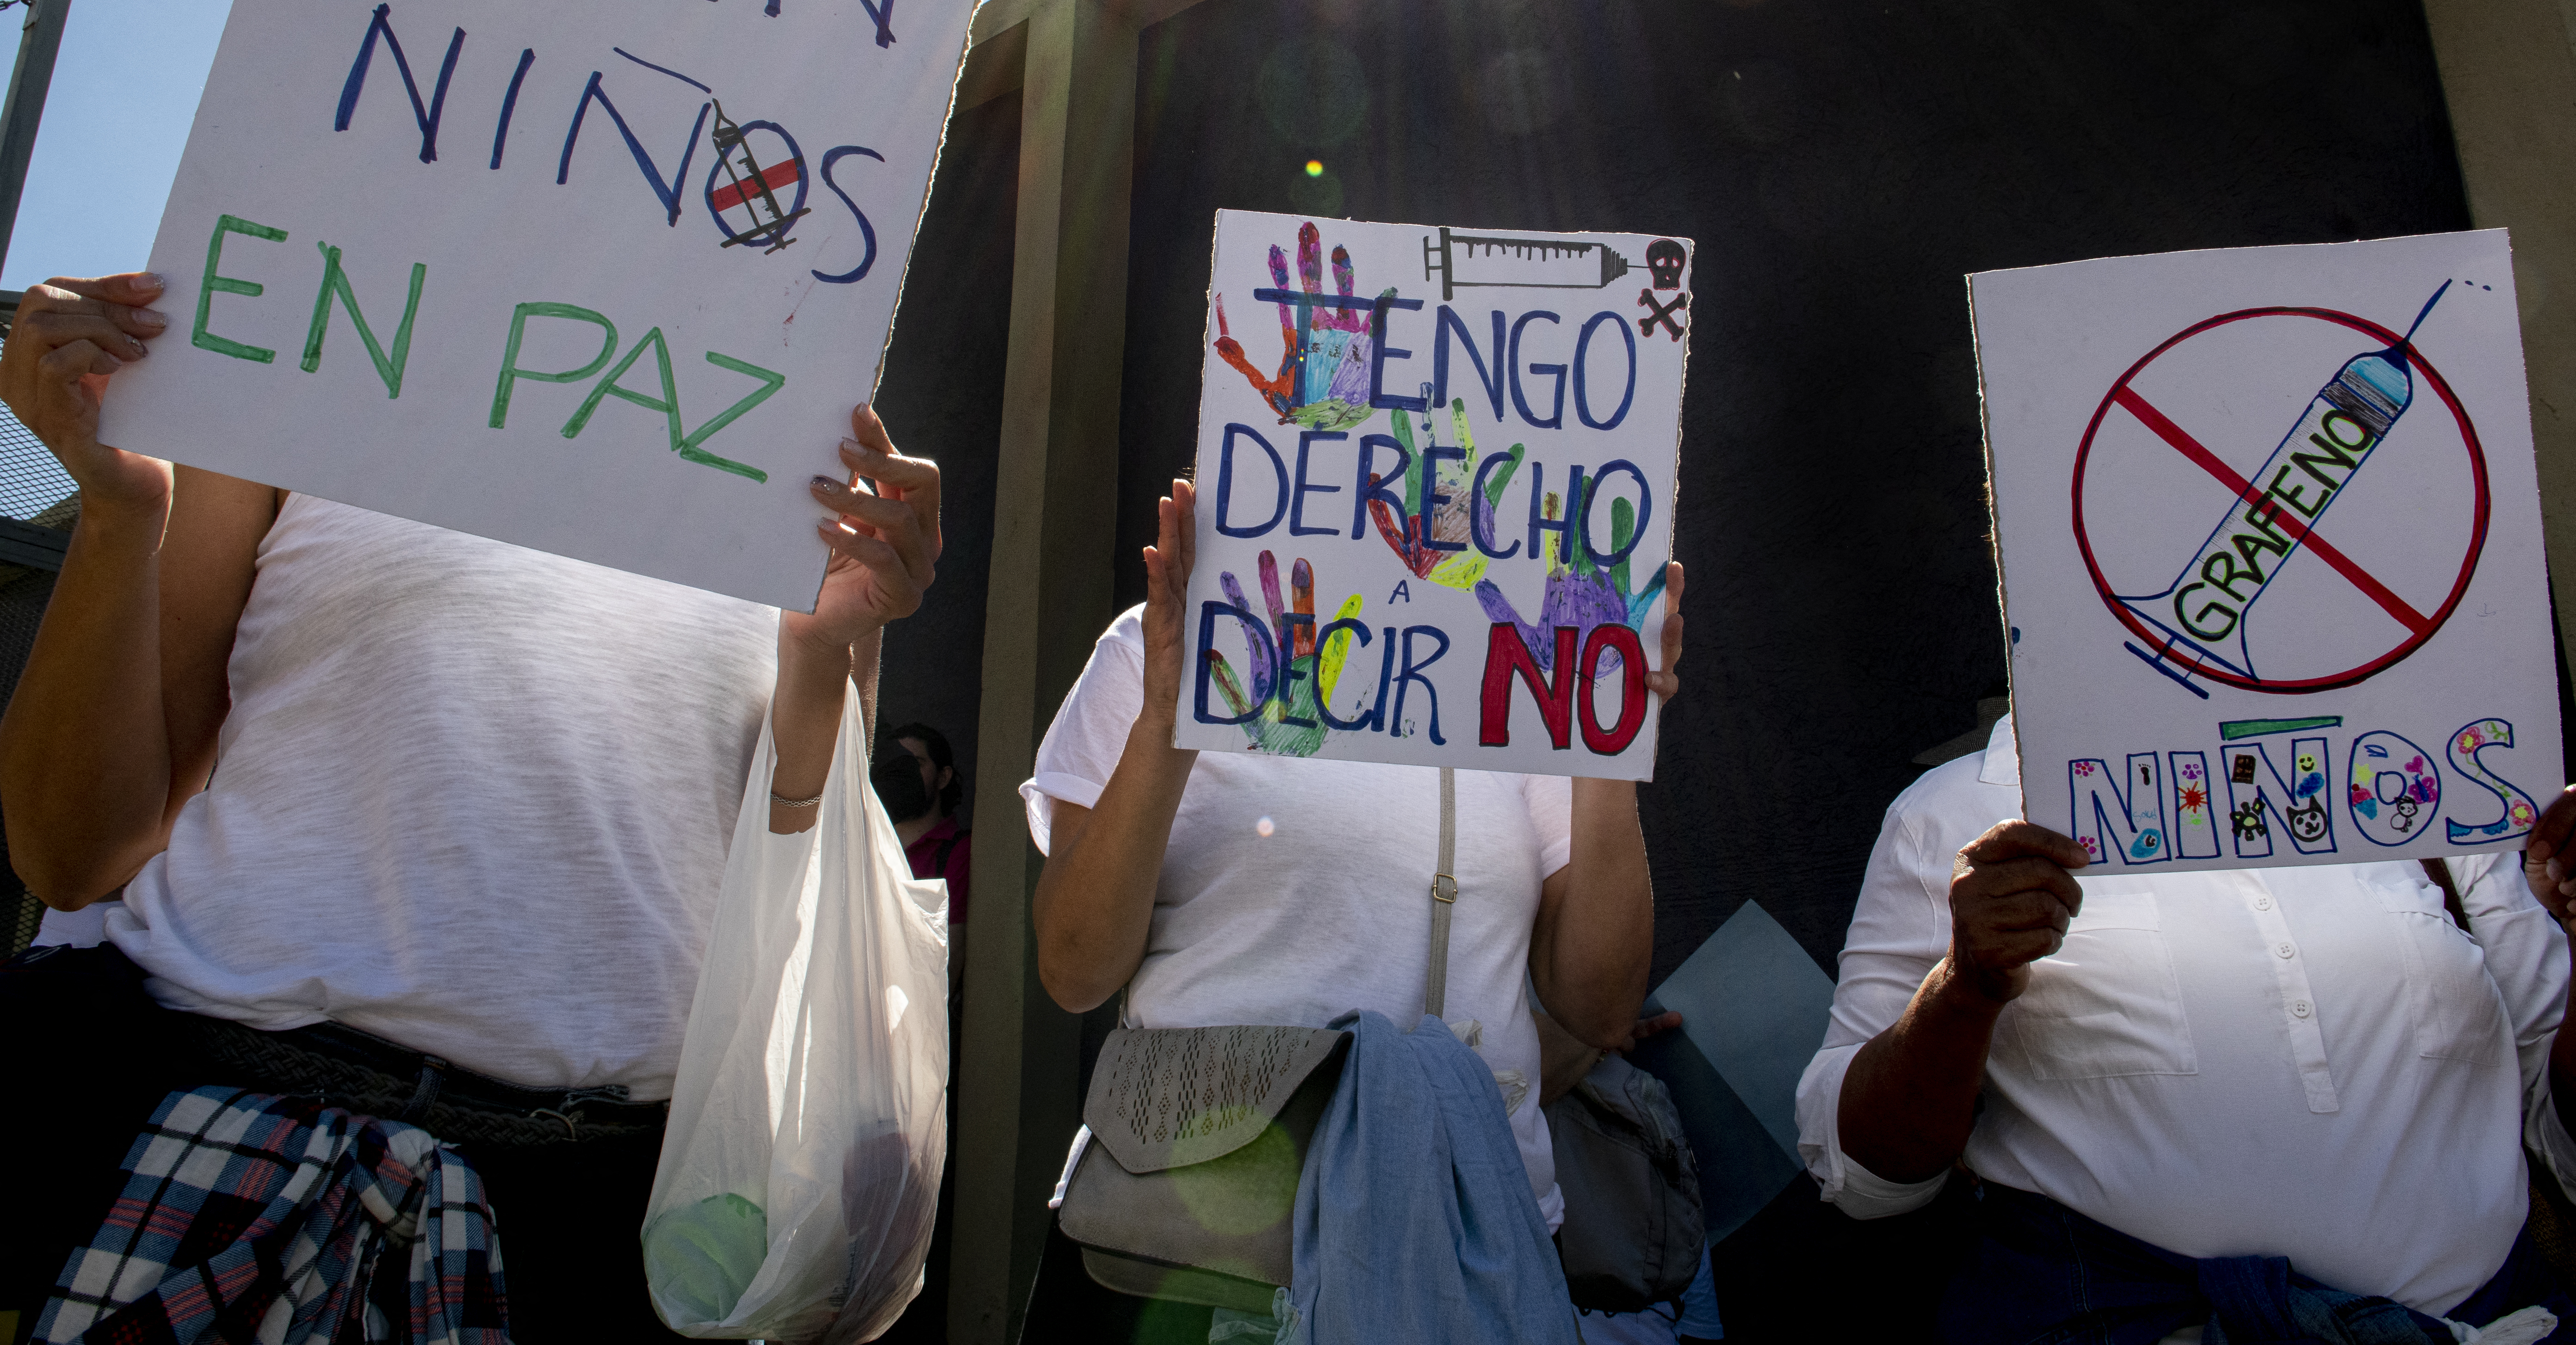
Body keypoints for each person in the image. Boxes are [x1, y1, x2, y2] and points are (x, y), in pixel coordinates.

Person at [0, 270, 942, 1340]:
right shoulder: (301, 339)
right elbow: (71, 853)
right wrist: (121, 517)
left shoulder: (797, 434)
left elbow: (803, 867)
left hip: (600, 1219)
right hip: (240, 1149)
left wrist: (828, 656)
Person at [1023, 478, 1684, 1282]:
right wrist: (1171, 713)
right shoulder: (1158, 644)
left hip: (1462, 1249)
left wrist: (1603, 741)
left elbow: (1600, 1002)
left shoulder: (1525, 672)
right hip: (1191, 1245)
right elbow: (1073, 969)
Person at [1796, 711, 2576, 1342]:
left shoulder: (2414, 771)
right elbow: (1861, 1178)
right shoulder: (1951, 812)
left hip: (2495, 1322)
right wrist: (1963, 987)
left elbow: (2559, 1127)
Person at [877, 721, 971, 925]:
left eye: (916, 764)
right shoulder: (869, 843)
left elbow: (952, 949)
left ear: (943, 777)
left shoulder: (960, 851)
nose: (904, 775)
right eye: (897, 766)